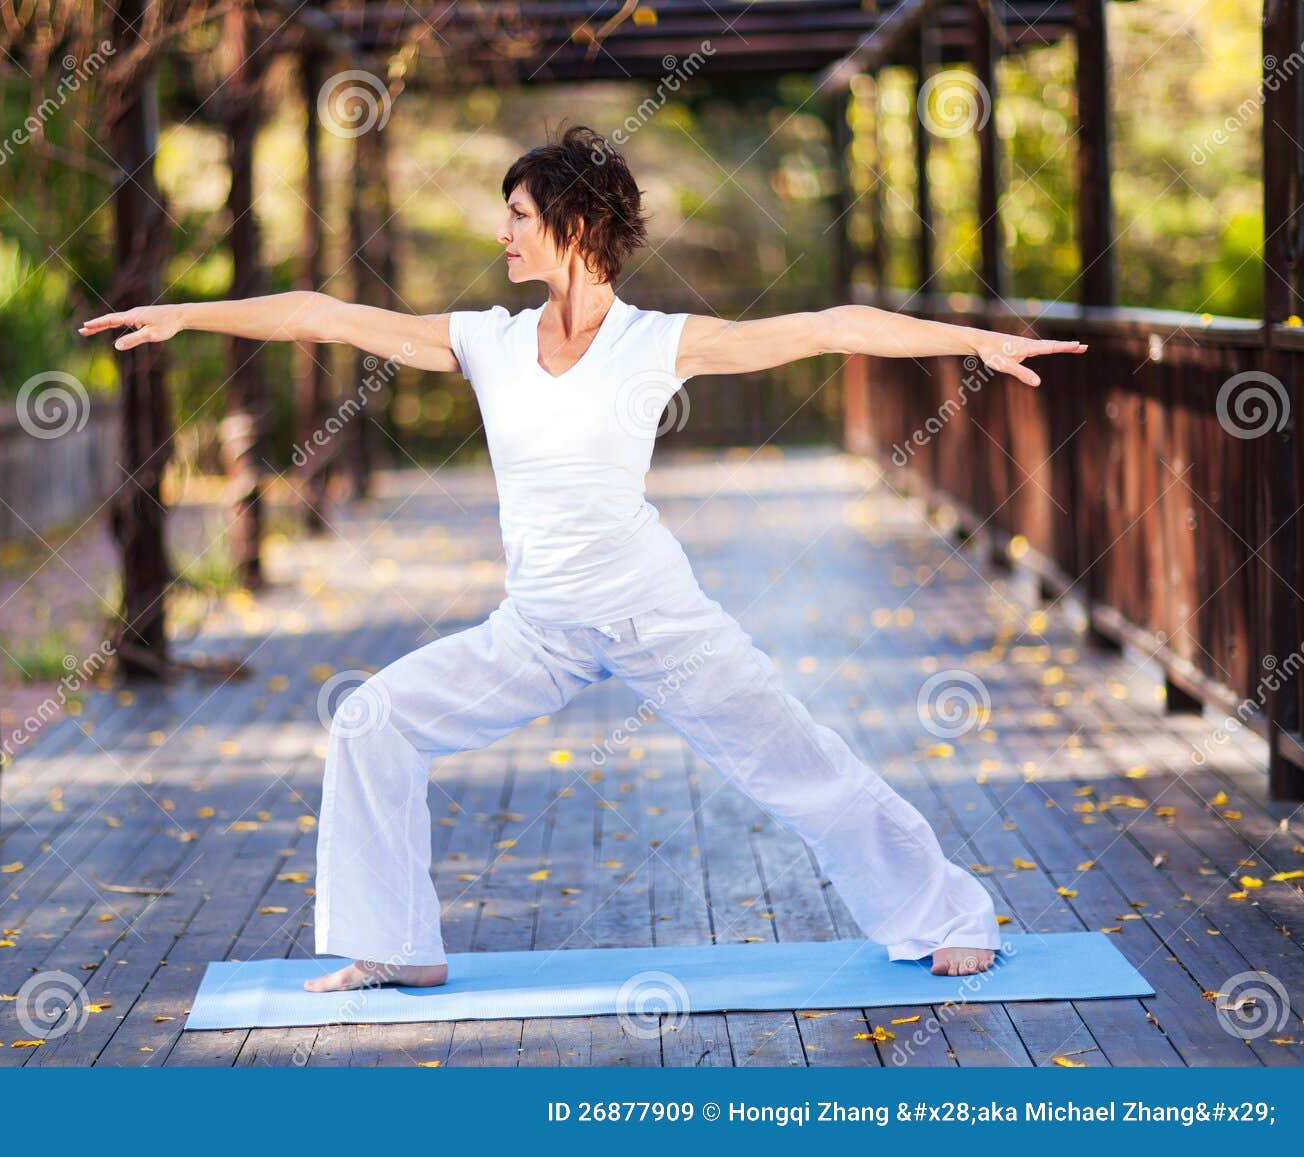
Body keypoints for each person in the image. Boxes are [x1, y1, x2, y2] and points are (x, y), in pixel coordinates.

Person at [79, 125, 1087, 995]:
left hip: (655, 614)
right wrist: (185, 315)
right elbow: (322, 313)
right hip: (537, 628)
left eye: (517, 212)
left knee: (799, 768)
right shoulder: (487, 341)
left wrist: (971, 340)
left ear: (572, 221)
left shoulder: (655, 340)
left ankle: (945, 912)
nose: (503, 231)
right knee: (370, 720)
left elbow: (828, 329)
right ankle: (392, 947)